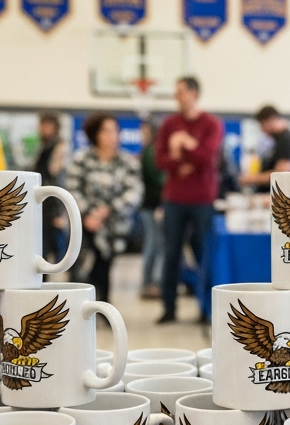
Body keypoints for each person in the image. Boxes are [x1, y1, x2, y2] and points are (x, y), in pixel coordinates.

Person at [154, 76, 224, 324]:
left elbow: (208, 157)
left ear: (194, 93)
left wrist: (184, 145)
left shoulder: (211, 124)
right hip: (174, 199)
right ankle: (169, 308)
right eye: (176, 91)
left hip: (202, 199)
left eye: (182, 91)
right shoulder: (169, 124)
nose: (178, 96)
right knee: (171, 254)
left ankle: (206, 309)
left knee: (203, 252)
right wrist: (180, 159)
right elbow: (160, 160)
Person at [65, 113, 143, 303]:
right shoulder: (81, 158)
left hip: (113, 227)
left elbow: (134, 192)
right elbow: (72, 188)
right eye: (106, 131)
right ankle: (77, 307)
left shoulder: (127, 161)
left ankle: (102, 307)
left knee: (104, 269)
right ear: (95, 134)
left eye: (115, 131)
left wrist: (107, 211)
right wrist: (87, 215)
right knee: (82, 269)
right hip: (85, 224)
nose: (111, 136)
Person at [31, 112, 69, 262]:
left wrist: (59, 211)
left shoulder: (59, 147)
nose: (44, 128)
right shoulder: (42, 146)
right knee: (41, 244)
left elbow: (58, 176)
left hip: (52, 201)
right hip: (41, 201)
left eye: (48, 125)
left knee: (53, 245)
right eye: (42, 125)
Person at [240, 105, 290, 191]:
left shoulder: (287, 139)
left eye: (262, 124)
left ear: (270, 120)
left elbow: (282, 173)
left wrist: (250, 179)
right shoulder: (278, 140)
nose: (262, 129)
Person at [138, 118, 165, 301]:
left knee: (153, 245)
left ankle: (150, 282)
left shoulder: (150, 150)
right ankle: (150, 283)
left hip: (150, 205)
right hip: (152, 205)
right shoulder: (152, 151)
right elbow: (159, 181)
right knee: (154, 245)